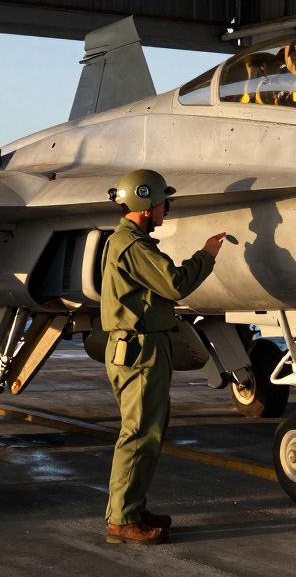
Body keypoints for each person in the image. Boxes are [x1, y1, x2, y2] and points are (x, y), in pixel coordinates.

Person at [100, 169, 226, 546]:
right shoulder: (134, 246)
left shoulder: (126, 241)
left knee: (146, 433)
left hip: (139, 347)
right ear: (145, 203)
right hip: (139, 350)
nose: (166, 210)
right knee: (138, 434)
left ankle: (131, 508)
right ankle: (122, 521)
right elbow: (174, 283)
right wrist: (206, 255)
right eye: (162, 203)